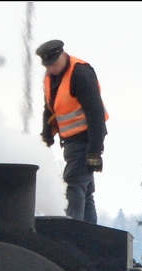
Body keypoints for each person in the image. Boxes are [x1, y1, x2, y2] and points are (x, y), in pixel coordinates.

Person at [36, 39, 108, 224]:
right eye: (48, 66)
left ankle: (71, 229)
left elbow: (95, 112)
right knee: (85, 192)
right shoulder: (50, 78)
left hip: (85, 140)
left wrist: (94, 151)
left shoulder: (80, 73)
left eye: (54, 64)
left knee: (73, 185)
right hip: (68, 141)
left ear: (62, 55)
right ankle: (89, 234)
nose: (51, 69)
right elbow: (50, 109)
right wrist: (46, 136)